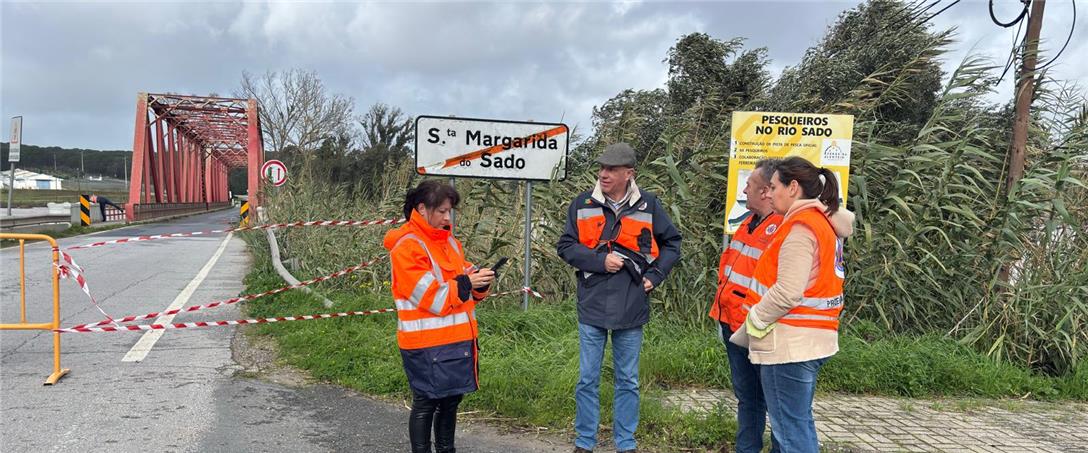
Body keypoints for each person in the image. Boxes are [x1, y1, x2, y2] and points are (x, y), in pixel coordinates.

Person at [556, 142, 682, 453]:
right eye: (601, 168)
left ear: (629, 173)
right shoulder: (581, 203)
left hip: (632, 303)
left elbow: (672, 244)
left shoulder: (649, 205)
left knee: (627, 380)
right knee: (587, 379)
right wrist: (600, 262)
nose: (603, 174)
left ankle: (625, 443)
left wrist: (654, 277)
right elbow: (566, 246)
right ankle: (585, 442)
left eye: (611, 169)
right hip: (592, 303)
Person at [730, 156, 855, 453]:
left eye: (773, 187)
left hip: (788, 343)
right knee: (798, 424)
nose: (769, 193)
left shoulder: (799, 228)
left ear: (793, 187)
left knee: (790, 433)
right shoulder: (822, 223)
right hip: (813, 338)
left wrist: (754, 322)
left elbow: (788, 291)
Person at [383, 180, 496, 453]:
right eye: (442, 211)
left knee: (450, 401)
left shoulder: (450, 243)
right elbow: (432, 298)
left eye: (450, 211)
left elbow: (464, 282)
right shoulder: (407, 246)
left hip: (456, 340)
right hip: (425, 343)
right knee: (426, 402)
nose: (448, 217)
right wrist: (468, 283)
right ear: (422, 209)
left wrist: (481, 282)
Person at [711, 159, 783, 453]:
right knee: (748, 399)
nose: (744, 189)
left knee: (778, 404)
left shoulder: (782, 228)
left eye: (750, 185)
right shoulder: (746, 223)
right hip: (732, 324)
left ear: (766, 191)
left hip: (761, 329)